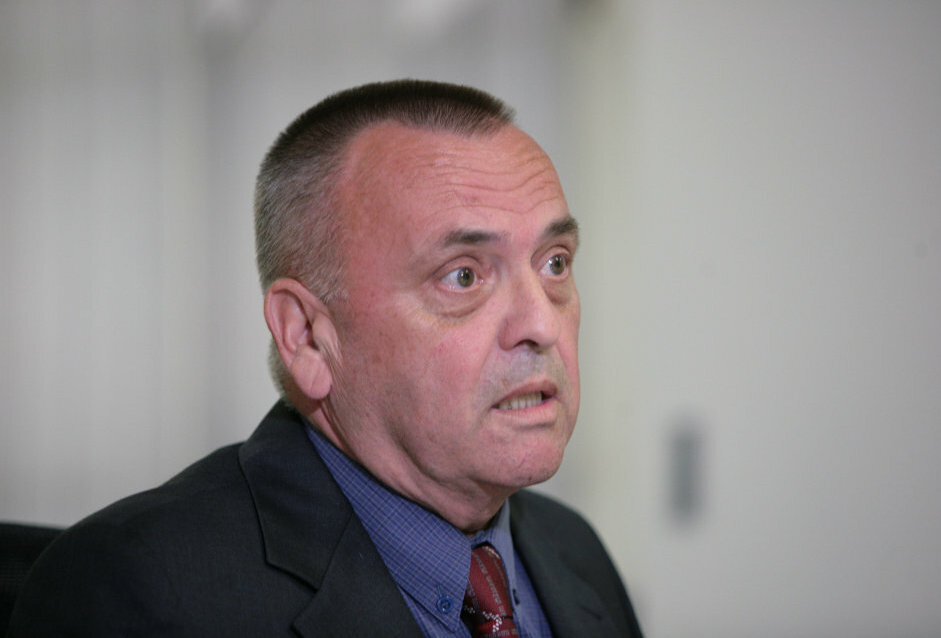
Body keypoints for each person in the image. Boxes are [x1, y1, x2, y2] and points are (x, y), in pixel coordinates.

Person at [9, 80, 643, 637]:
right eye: (463, 276)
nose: (541, 324)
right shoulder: (140, 591)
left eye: (554, 263)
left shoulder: (573, 551)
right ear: (308, 338)